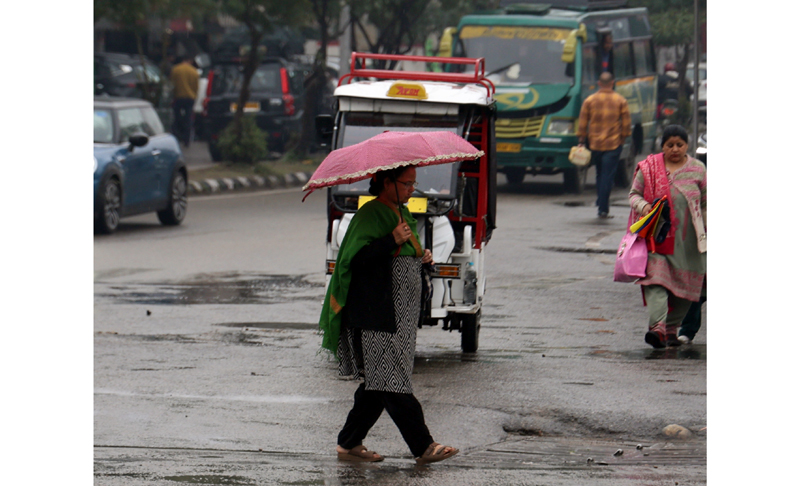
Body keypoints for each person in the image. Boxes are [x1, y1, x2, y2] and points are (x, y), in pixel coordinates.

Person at [318, 165, 459, 465]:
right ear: (386, 182)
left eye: (413, 183)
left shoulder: (401, 213)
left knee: (377, 384)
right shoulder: (370, 215)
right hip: (377, 314)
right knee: (391, 382)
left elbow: (404, 256)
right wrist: (389, 241)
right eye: (407, 183)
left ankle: (349, 443)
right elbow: (355, 261)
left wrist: (422, 256)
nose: (412, 189)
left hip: (400, 317)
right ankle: (423, 446)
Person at [629, 125, 706, 348]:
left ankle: (670, 328)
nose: (674, 149)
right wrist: (644, 207)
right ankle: (658, 327)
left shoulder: (698, 169)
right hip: (657, 238)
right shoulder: (649, 168)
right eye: (669, 145)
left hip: (689, 241)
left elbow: (706, 203)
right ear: (662, 146)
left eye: (679, 145)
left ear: (687, 146)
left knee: (686, 288)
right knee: (655, 281)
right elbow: (634, 194)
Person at [577, 71, 632, 219]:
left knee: (599, 174)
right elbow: (626, 124)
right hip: (613, 144)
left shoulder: (590, 100)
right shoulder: (620, 100)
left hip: (594, 143)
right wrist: (623, 138)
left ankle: (601, 203)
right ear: (612, 83)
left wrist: (581, 140)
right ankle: (602, 207)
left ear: (599, 83)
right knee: (607, 176)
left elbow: (582, 122)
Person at [169, 56, 199, 147]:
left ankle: (177, 137)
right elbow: (195, 87)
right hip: (190, 98)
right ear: (189, 61)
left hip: (178, 97)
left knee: (176, 118)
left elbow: (172, 84)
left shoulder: (175, 69)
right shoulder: (194, 71)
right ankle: (187, 140)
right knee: (188, 119)